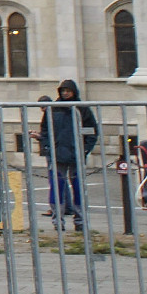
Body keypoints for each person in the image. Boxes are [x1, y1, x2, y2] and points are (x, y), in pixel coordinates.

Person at [35, 79, 99, 231]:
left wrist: (85, 149)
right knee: (57, 188)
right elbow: (45, 130)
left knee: (78, 188)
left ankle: (80, 222)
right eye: (63, 91)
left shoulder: (82, 109)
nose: (65, 93)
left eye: (67, 91)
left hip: (76, 154)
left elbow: (91, 131)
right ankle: (58, 221)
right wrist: (48, 147)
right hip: (58, 155)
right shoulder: (53, 109)